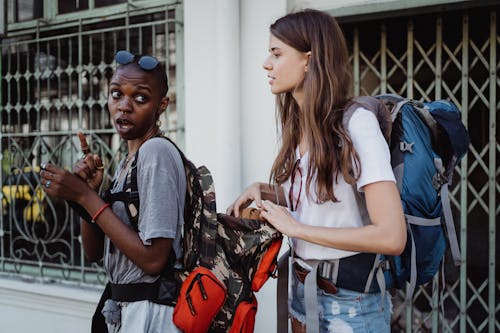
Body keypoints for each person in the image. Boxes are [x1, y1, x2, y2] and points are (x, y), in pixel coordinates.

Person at [227, 9, 406, 333]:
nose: (266, 63)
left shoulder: (357, 124)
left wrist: (296, 229)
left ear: (309, 60)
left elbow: (392, 236)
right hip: (303, 291)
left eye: (276, 53)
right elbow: (328, 200)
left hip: (351, 304)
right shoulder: (301, 125)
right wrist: (265, 190)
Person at [40, 50, 185, 333]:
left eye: (140, 98)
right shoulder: (127, 162)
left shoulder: (156, 152)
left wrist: (87, 198)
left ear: (162, 105)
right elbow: (94, 252)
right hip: (124, 309)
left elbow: (154, 259)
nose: (124, 106)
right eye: (116, 94)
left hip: (150, 312)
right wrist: (88, 195)